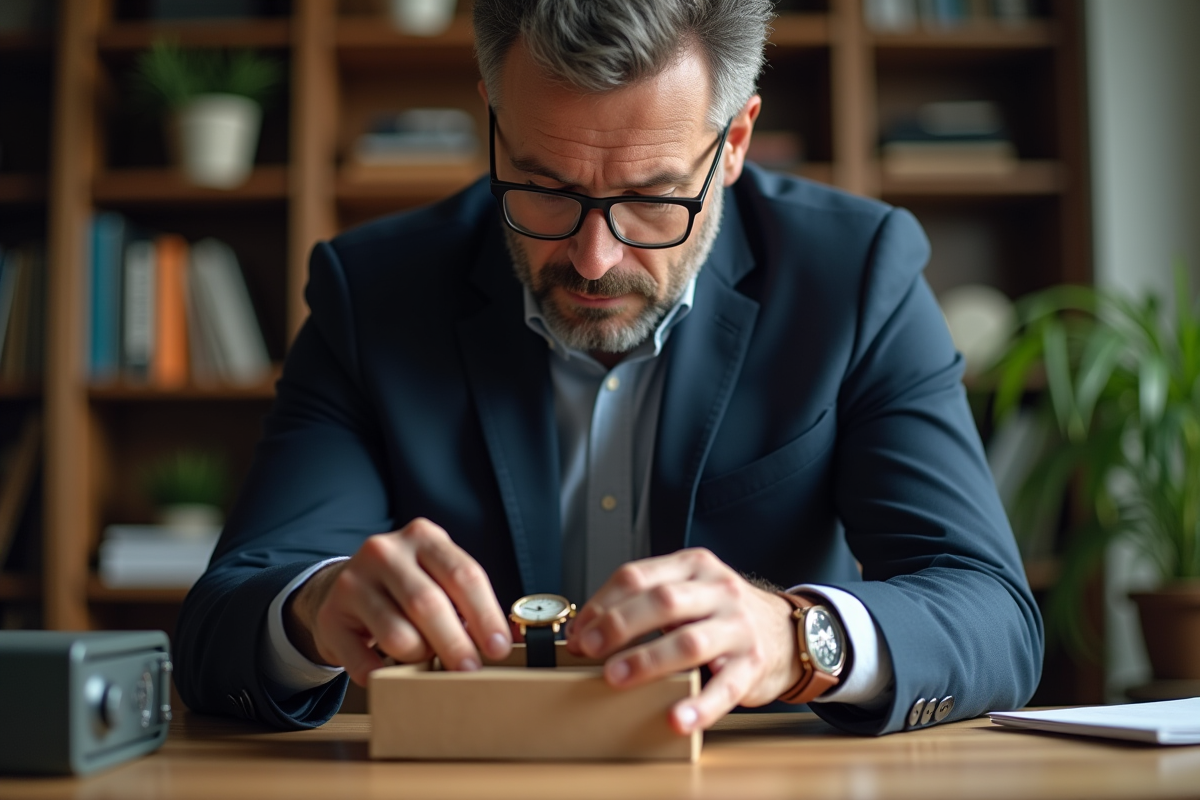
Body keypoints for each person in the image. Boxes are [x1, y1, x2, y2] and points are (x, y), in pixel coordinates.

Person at [176, 0, 1042, 736]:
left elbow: (994, 613)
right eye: (545, 187)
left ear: (735, 142)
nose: (594, 260)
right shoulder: (371, 293)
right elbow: (221, 623)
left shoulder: (856, 275)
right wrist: (313, 607)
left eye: (653, 198)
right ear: (492, 119)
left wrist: (796, 636)